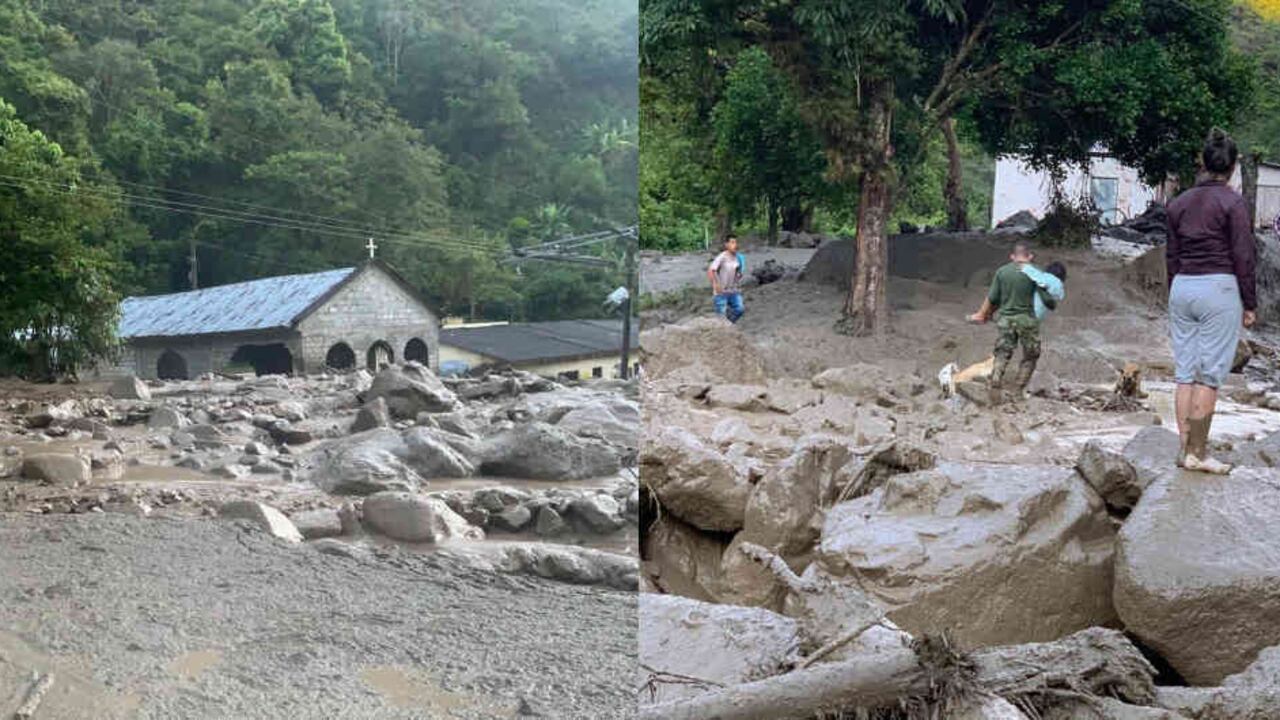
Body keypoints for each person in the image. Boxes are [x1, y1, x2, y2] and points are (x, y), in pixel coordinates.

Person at [1165, 129, 1256, 474]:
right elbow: (1243, 256)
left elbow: (1171, 256)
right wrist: (1249, 303)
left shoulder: (1178, 202)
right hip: (1219, 287)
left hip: (1183, 287)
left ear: (1202, 163)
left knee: (1185, 373)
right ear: (1232, 167)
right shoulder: (1233, 203)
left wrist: (1176, 291)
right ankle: (1198, 454)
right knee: (1210, 375)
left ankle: (1184, 447)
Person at [967, 241, 1044, 403]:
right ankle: (1018, 391)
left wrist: (982, 314)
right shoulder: (1036, 272)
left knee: (1002, 353)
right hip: (1027, 321)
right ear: (1029, 256)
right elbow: (1046, 297)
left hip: (1006, 320)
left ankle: (995, 380)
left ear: (1012, 257)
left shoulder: (1002, 272)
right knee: (1031, 355)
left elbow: (992, 298)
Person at [708, 235, 745, 323]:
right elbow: (712, 270)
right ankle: (723, 328)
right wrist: (716, 284)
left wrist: (739, 275)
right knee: (721, 315)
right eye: (732, 242)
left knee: (740, 309)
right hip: (722, 292)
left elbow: (739, 272)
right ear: (726, 245)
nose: (735, 245)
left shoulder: (739, 257)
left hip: (733, 290)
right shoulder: (722, 257)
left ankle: (729, 324)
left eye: (736, 242)